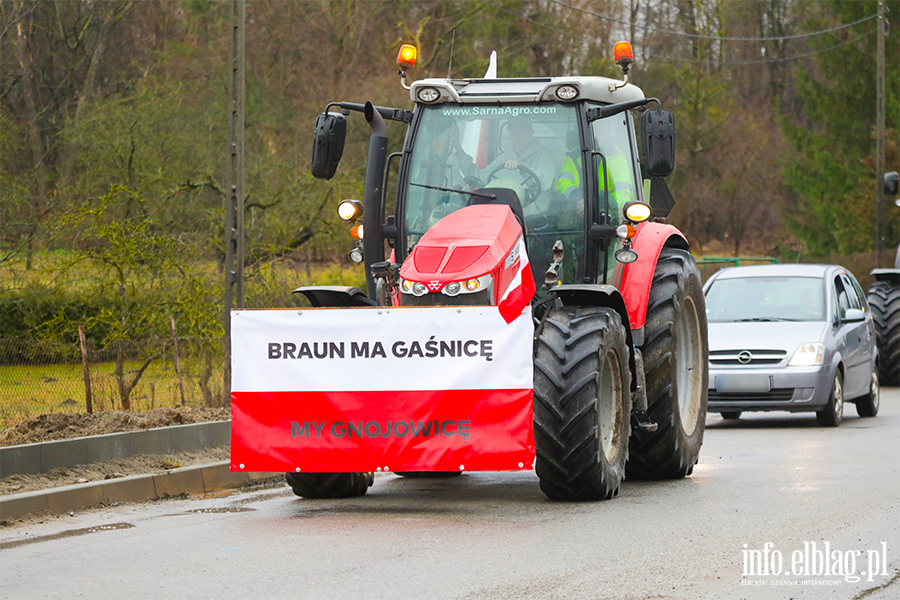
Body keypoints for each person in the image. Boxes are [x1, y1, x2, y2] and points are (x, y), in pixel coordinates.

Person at [450, 115, 560, 201]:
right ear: (508, 133)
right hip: (507, 211)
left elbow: (545, 183)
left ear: (530, 133)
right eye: (513, 131)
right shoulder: (506, 157)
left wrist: (523, 169)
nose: (517, 135)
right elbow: (480, 177)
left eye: (521, 131)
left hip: (536, 216)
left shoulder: (545, 155)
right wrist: (458, 149)